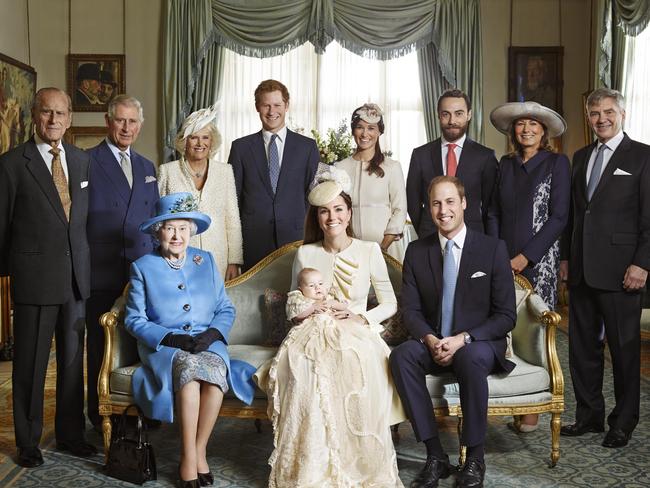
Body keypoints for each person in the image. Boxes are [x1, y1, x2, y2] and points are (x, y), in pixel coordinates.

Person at [255, 168, 405, 487]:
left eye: (338, 209)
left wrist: (360, 317)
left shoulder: (369, 250)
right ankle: (314, 466)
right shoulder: (305, 253)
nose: (331, 217)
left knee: (354, 365)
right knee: (305, 371)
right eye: (324, 211)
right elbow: (294, 300)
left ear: (349, 213)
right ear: (317, 217)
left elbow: (390, 303)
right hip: (311, 333)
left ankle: (357, 467)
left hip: (357, 332)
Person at [390, 176, 516, 488]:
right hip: (434, 340)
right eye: (435, 203)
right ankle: (436, 456)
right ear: (429, 208)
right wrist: (430, 339)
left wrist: (463, 339)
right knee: (402, 355)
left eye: (449, 202)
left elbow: (506, 316)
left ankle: (474, 458)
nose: (443, 209)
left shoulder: (492, 249)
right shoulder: (417, 251)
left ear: (463, 204)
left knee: (471, 357)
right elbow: (411, 310)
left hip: (477, 342)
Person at [124, 192, 256, 487]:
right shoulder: (142, 267)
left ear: (191, 231)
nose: (177, 235)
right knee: (191, 374)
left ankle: (197, 451)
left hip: (206, 341)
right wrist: (170, 338)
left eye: (183, 228)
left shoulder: (206, 261)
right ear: (158, 232)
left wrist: (212, 335)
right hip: (166, 347)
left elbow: (225, 308)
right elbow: (134, 320)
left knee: (213, 376)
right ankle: (188, 456)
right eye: (169, 228)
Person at [0, 87, 96, 467]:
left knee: (72, 364)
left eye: (60, 113)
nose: (53, 120)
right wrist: (11, 277)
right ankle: (27, 441)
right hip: (34, 279)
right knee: (30, 364)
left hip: (76, 279)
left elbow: (80, 222)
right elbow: (1, 227)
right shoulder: (11, 164)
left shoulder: (80, 160)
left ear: (69, 118)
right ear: (34, 115)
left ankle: (71, 434)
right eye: (46, 113)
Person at [560, 88, 650, 448]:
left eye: (609, 112)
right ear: (588, 116)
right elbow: (574, 216)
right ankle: (589, 416)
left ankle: (622, 422)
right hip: (582, 269)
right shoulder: (580, 157)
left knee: (624, 350)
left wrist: (642, 263)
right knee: (582, 349)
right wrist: (566, 258)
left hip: (622, 272)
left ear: (622, 114)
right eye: (594, 113)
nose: (602, 119)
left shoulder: (643, 156)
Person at [487, 101, 570, 433]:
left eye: (534, 124)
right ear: (513, 130)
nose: (527, 129)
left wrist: (526, 257)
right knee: (506, 328)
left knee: (536, 331)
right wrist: (499, 255)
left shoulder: (557, 164)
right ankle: (513, 395)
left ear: (543, 131)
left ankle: (533, 408)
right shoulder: (504, 165)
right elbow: (492, 212)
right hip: (503, 262)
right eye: (521, 124)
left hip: (541, 263)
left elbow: (559, 217)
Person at [86, 94, 159, 430]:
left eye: (133, 122)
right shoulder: (87, 161)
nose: (127, 127)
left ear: (140, 126)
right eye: (121, 120)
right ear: (108, 121)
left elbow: (155, 220)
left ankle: (142, 409)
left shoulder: (146, 167)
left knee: (140, 343)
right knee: (102, 346)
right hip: (102, 268)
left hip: (141, 269)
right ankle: (101, 412)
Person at [228, 79, 320, 271]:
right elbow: (232, 201)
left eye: (277, 105)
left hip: (296, 239)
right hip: (253, 242)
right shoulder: (241, 148)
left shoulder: (307, 147)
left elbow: (313, 197)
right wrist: (233, 254)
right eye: (266, 105)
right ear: (257, 107)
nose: (272, 112)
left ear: (287, 105)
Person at [158, 104, 243, 280]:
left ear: (212, 142)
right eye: (194, 137)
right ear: (184, 141)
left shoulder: (225, 171)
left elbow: (233, 219)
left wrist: (234, 261)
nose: (200, 143)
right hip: (178, 257)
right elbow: (158, 219)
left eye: (205, 138)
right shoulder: (167, 171)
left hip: (219, 258)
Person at [407, 89, 498, 238]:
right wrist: (427, 231)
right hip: (430, 238)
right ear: (438, 115)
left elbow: (490, 207)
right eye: (446, 114)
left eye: (459, 113)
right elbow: (413, 203)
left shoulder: (485, 157)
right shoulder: (420, 155)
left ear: (469, 114)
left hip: (473, 238)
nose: (452, 121)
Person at [335, 103, 407, 261]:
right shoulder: (340, 168)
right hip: (349, 250)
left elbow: (399, 210)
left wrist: (382, 247)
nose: (365, 133)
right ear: (353, 130)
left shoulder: (392, 167)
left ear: (380, 131)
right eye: (360, 127)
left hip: (385, 249)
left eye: (371, 128)